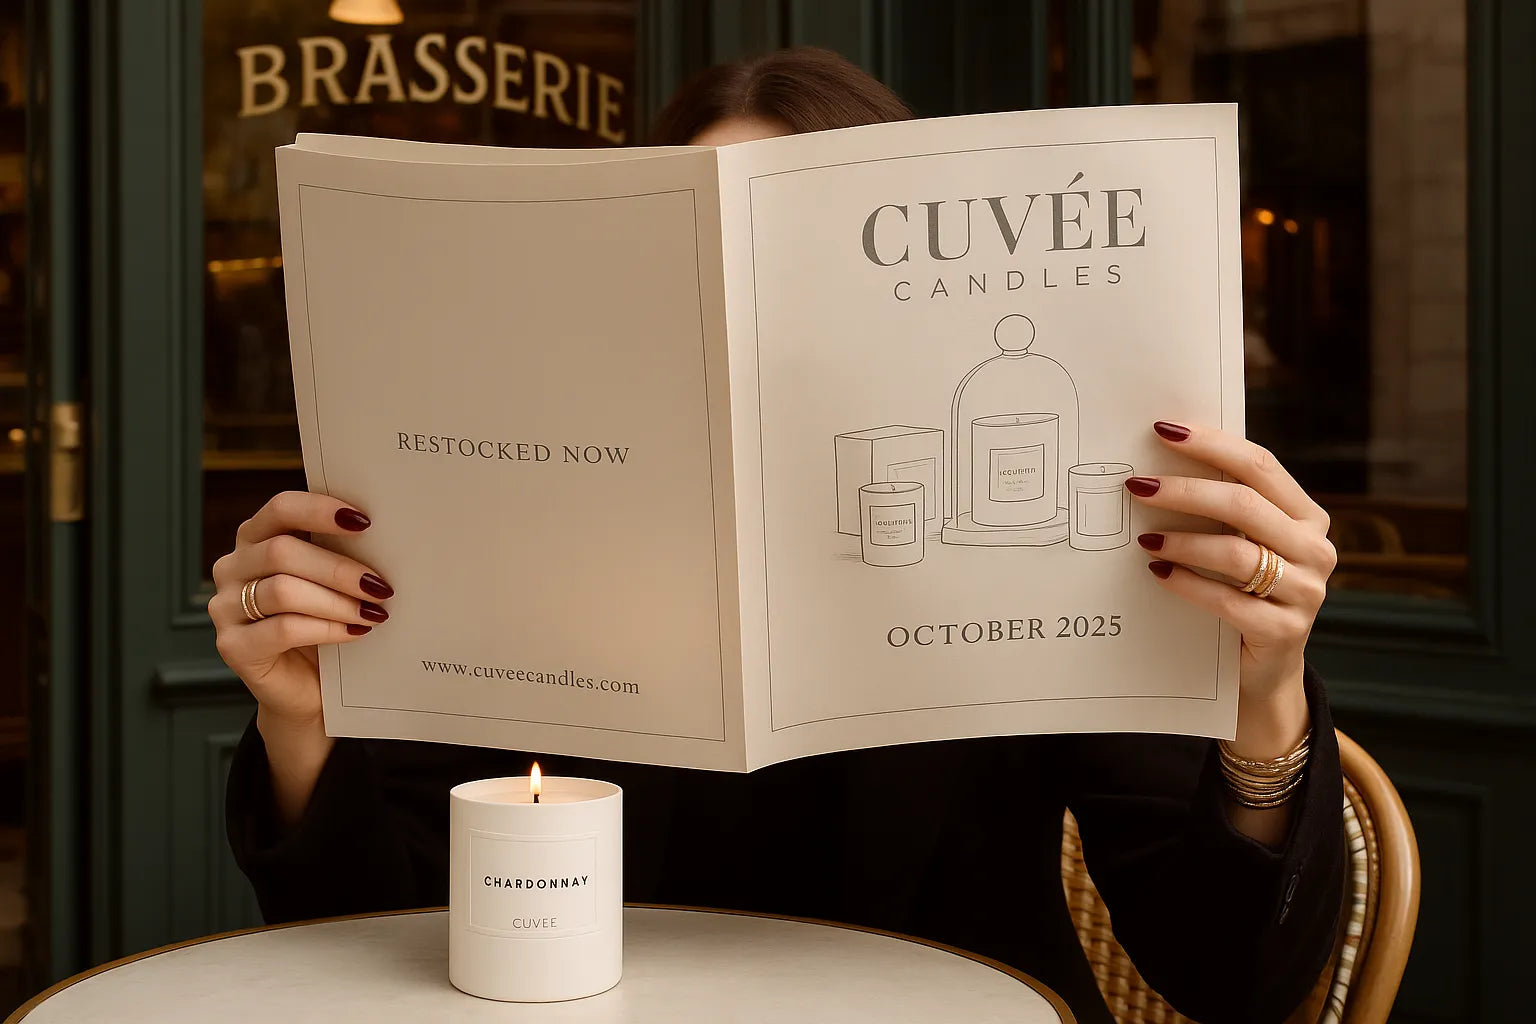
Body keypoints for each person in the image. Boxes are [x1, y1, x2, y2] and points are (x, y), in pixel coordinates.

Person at [215, 47, 1345, 1024]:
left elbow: (1231, 975)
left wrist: (1265, 695)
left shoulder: (1026, 539)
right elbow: (372, 939)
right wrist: (303, 723)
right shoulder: (529, 521)